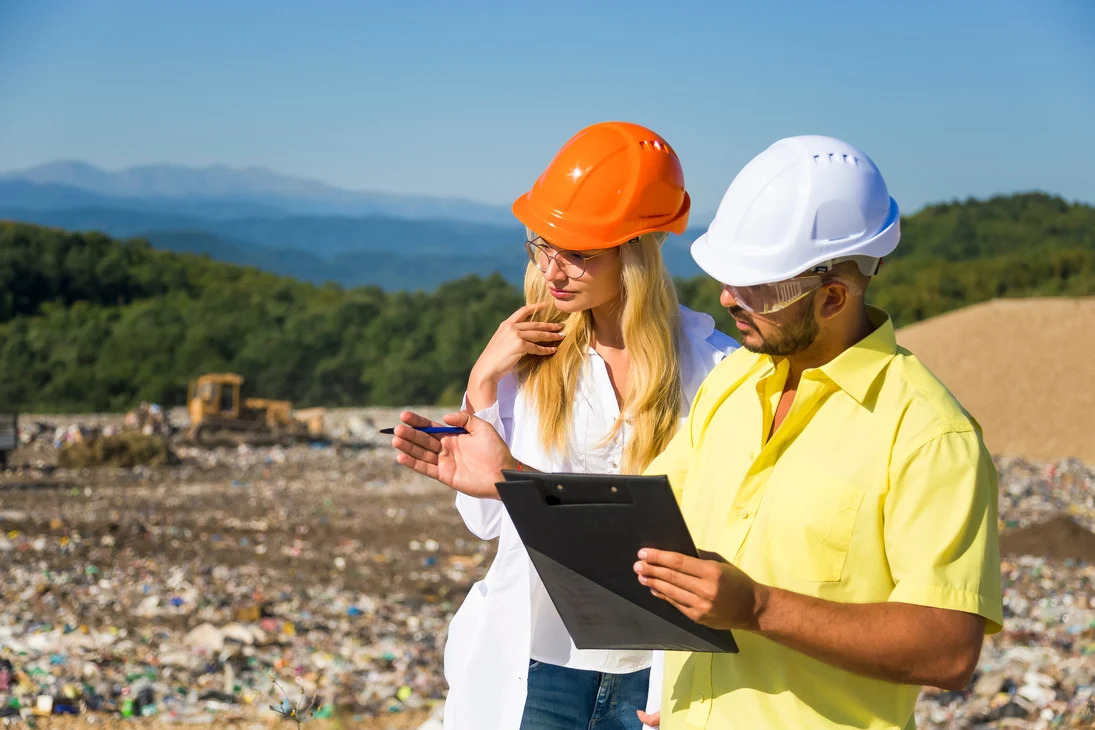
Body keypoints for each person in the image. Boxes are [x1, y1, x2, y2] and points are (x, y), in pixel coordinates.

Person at [392, 134, 1004, 729]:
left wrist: (758, 608)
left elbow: (948, 652)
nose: (726, 297)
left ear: (833, 296)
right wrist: (513, 481)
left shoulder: (928, 436)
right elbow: (638, 530)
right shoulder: (732, 391)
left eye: (755, 286)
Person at [393, 121, 738, 730]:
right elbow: (485, 522)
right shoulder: (533, 359)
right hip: (538, 664)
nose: (554, 270)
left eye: (579, 253)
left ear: (635, 253)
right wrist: (482, 383)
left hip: (657, 673)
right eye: (544, 246)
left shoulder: (717, 370)